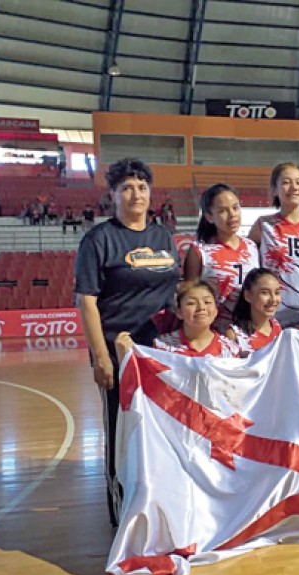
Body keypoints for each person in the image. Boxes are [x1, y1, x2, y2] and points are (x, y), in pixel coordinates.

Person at [75, 157, 180, 527]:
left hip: (162, 353)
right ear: (113, 195)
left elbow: (173, 291)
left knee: (161, 429)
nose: (136, 194)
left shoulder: (163, 237)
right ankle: (121, 514)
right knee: (122, 431)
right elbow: (87, 301)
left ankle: (159, 504)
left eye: (142, 187)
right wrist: (101, 356)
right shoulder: (99, 240)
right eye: (127, 188)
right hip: (119, 352)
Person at [249, 162, 299, 326]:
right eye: (286, 182)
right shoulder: (264, 225)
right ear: (275, 190)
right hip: (272, 315)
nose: (294, 187)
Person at [184, 183, 259, 331]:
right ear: (209, 216)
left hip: (247, 331)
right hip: (214, 333)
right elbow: (189, 295)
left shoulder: (251, 246)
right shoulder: (200, 250)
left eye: (235, 208)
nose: (232, 215)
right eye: (223, 211)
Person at [117, 280, 240, 359]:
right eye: (191, 303)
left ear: (216, 310)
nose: (201, 307)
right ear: (179, 312)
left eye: (207, 302)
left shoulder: (229, 349)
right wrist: (124, 355)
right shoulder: (162, 347)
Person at [225, 268, 283, 355]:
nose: (273, 300)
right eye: (265, 293)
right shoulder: (235, 336)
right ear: (248, 295)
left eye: (277, 292)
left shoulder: (277, 327)